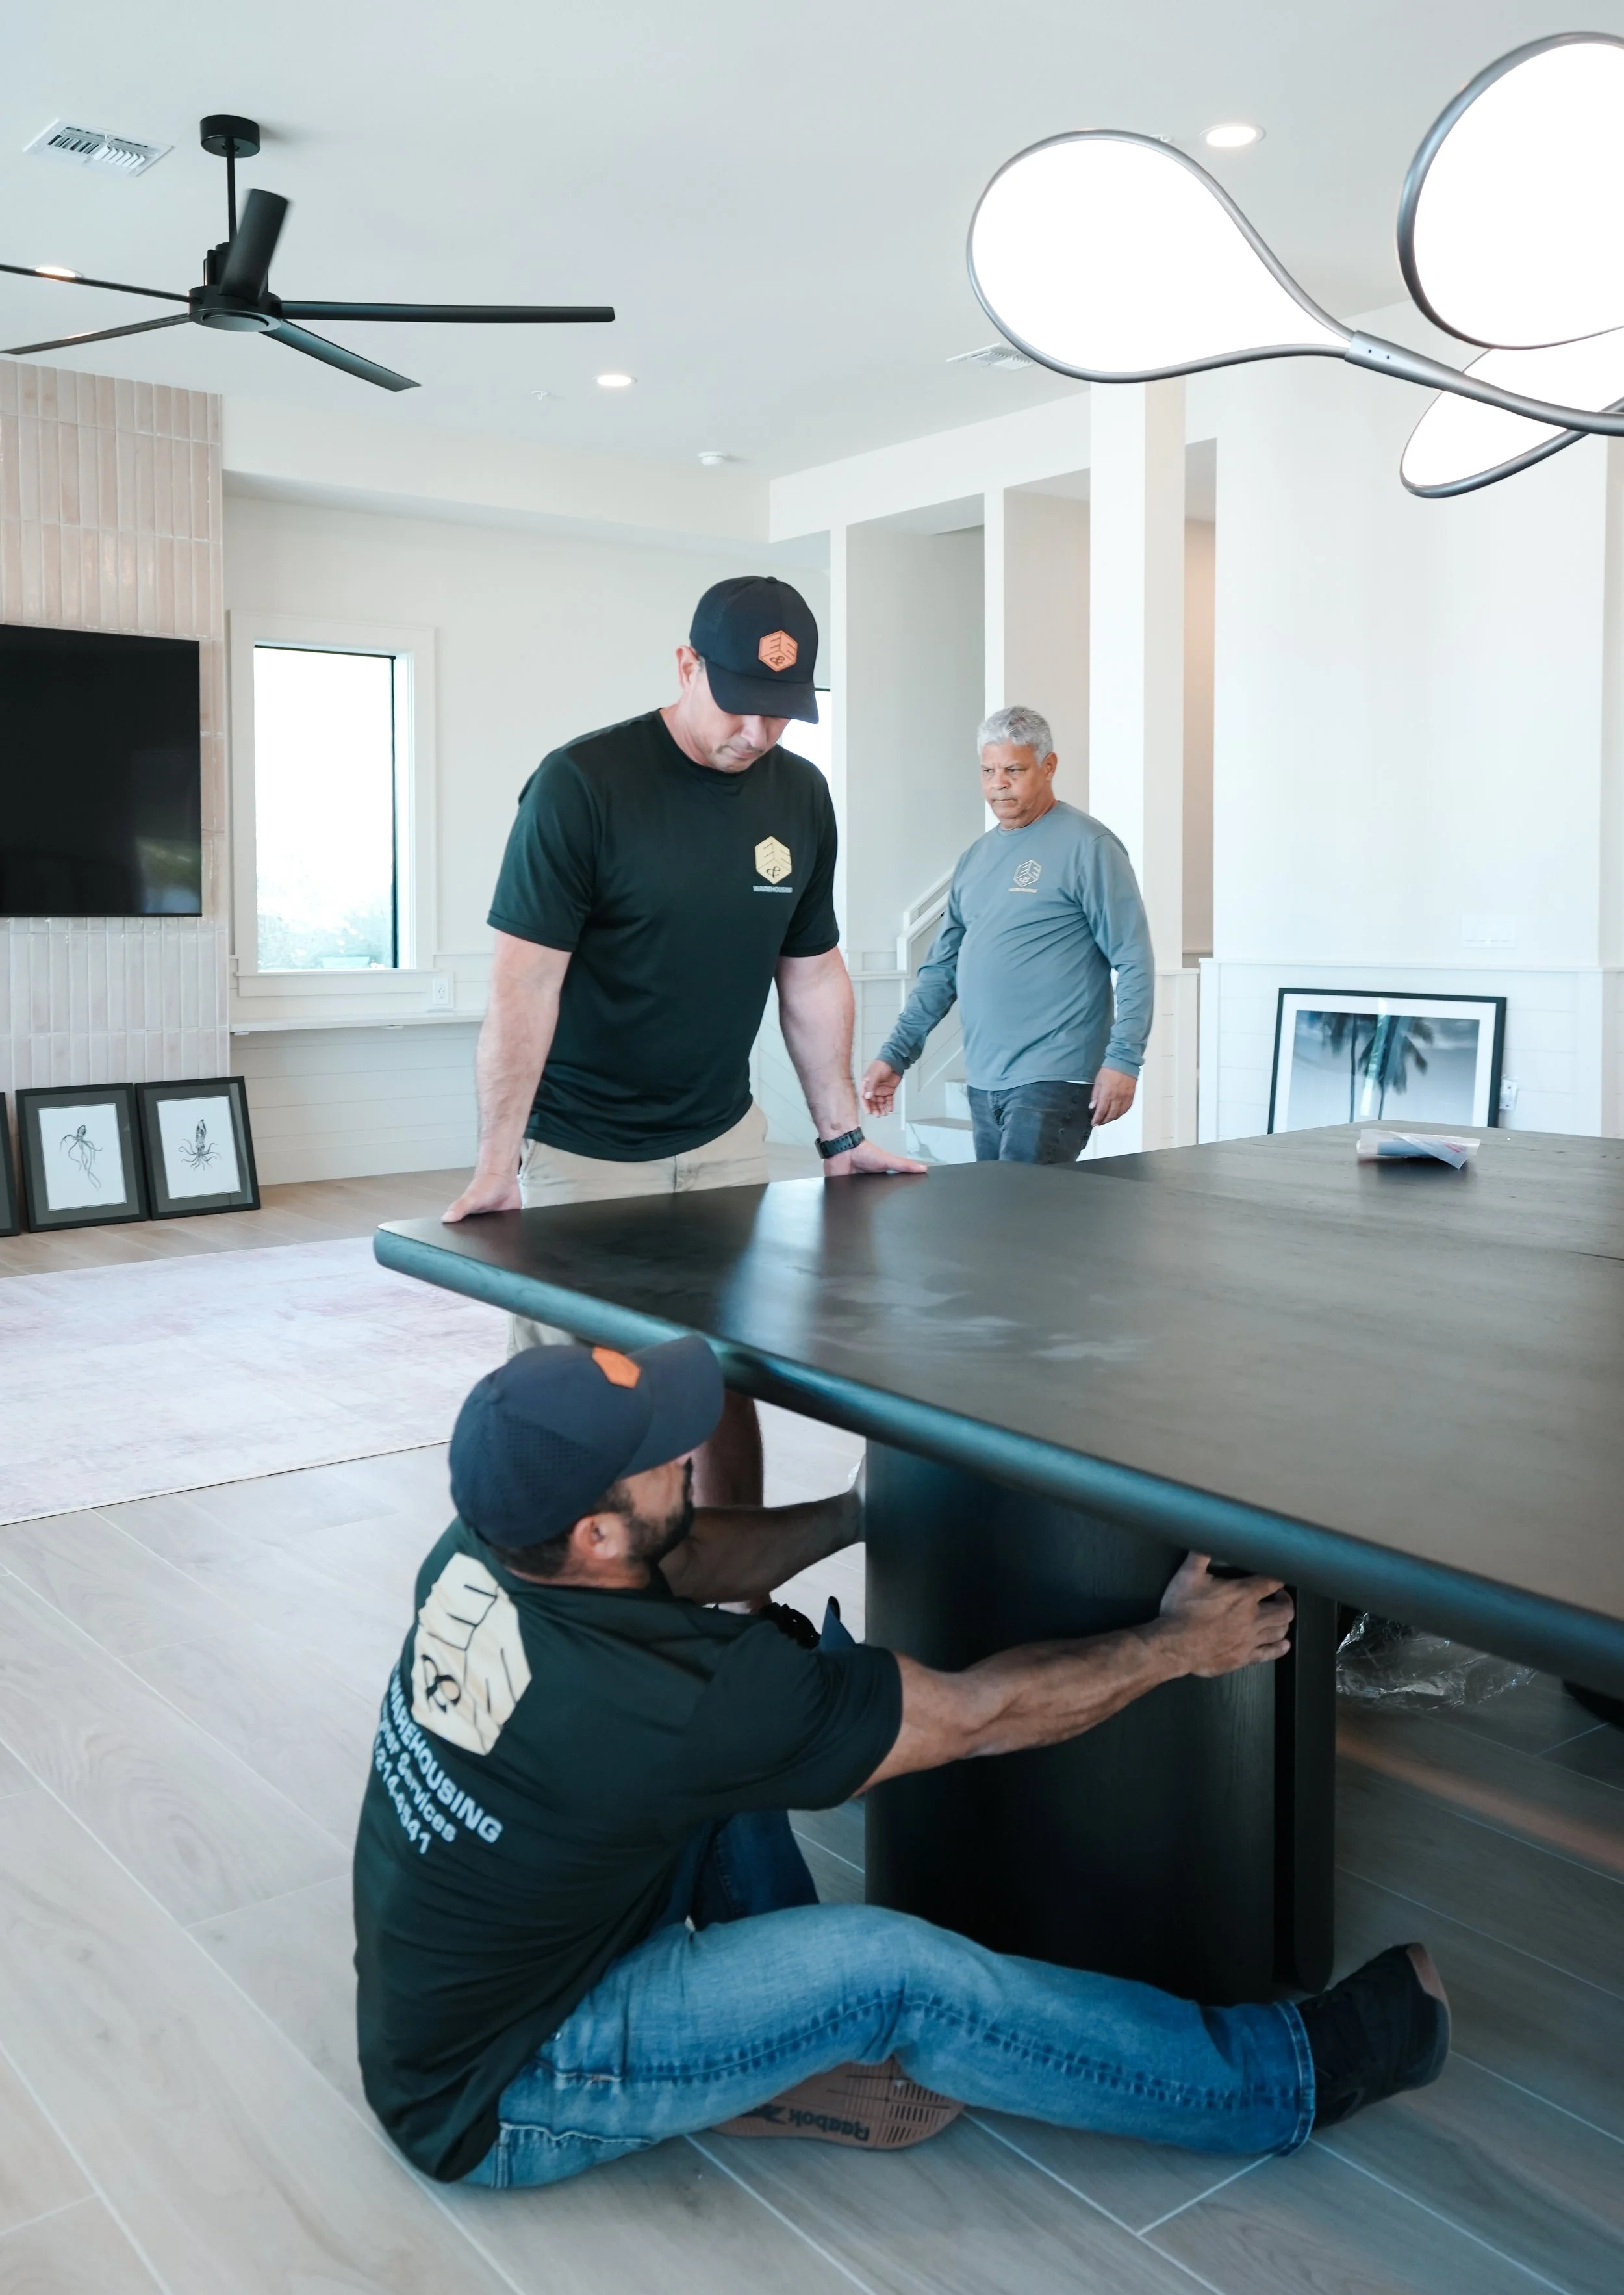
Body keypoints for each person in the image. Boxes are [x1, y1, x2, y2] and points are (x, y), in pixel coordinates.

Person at [353, 1336, 1451, 2190]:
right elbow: (979, 1715)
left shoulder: (489, 1549)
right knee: (898, 1973)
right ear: (594, 1533)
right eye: (658, 1455)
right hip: (511, 2090)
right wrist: (1178, 1647)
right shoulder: (680, 1705)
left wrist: (854, 1514)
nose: (686, 1451)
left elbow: (680, 1559)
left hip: (455, 2004)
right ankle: (1281, 2084)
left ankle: (777, 2056)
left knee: (732, 1743)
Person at [443, 574, 921, 1509]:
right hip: (585, 1149)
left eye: (782, 714)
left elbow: (812, 971)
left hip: (720, 1140)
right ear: (687, 664)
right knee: (586, 1404)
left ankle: (740, 1606)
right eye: (740, 704)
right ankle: (576, 1614)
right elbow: (523, 984)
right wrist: (500, 1162)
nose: (757, 733)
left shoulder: (800, 796)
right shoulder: (581, 785)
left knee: (715, 1382)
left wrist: (839, 1137)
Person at [861, 705, 1155, 1166]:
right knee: (1000, 1226)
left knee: (1024, 1222)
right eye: (988, 770)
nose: (998, 783)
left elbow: (1134, 958)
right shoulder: (975, 859)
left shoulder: (1089, 846)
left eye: (1014, 770)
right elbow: (941, 970)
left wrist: (1124, 1060)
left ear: (1048, 766)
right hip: (985, 1079)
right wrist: (896, 1054)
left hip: (1055, 1075)